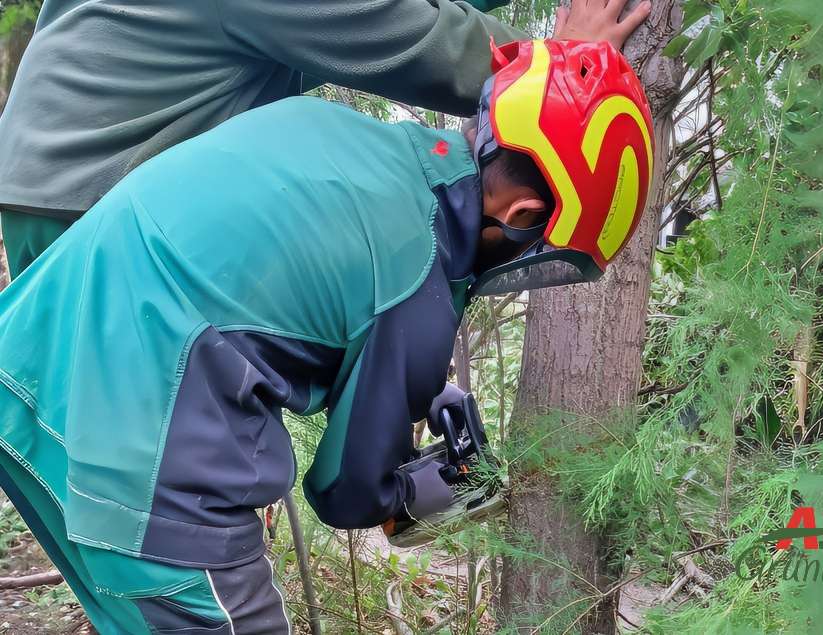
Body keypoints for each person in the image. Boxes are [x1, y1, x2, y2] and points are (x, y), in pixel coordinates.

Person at [0, 38, 654, 633]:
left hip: (30, 370)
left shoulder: (349, 138)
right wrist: (427, 491)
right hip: (141, 450)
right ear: (523, 214)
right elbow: (346, 491)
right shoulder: (415, 275)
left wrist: (413, 385)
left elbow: (297, 279)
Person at [0, 0, 652, 280]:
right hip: (93, 191)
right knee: (144, 457)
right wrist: (566, 64)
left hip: (64, 175)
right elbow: (402, 34)